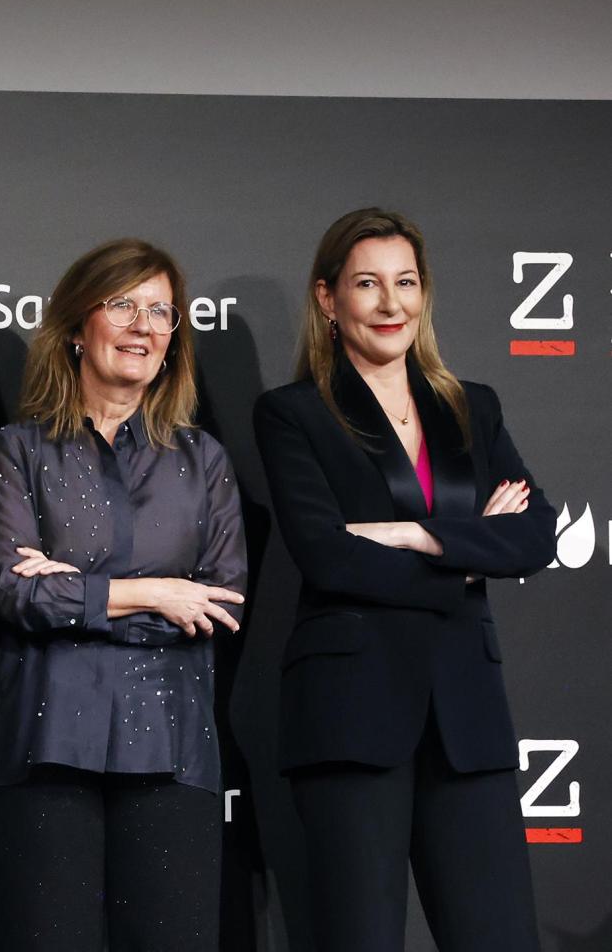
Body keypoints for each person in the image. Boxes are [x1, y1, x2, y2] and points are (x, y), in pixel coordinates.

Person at [253, 207, 553, 952]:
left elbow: (537, 534)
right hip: (352, 719)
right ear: (328, 299)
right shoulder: (292, 415)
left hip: (466, 719)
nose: (391, 304)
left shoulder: (470, 407)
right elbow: (330, 556)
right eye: (367, 284)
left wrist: (419, 534)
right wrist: (470, 554)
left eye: (406, 282)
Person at [0, 239, 245, 951]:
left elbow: (219, 604)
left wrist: (76, 590)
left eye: (160, 311)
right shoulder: (19, 450)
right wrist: (159, 591)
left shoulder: (203, 460)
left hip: (172, 750)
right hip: (46, 749)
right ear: (74, 325)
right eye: (123, 304)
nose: (144, 325)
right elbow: (15, 594)